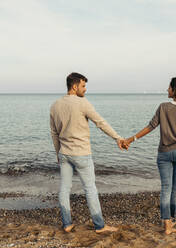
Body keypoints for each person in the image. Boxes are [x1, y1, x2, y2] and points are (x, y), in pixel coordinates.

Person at [50, 72, 126, 233]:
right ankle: (99, 225)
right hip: (82, 154)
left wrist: (58, 153)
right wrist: (117, 138)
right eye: (83, 86)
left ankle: (67, 224)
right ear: (74, 86)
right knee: (90, 189)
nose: (85, 89)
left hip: (64, 154)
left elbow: (54, 133)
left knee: (64, 189)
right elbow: (100, 122)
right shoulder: (82, 103)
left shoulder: (55, 105)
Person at [124, 77, 176, 235]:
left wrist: (131, 139)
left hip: (164, 153)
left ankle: (166, 223)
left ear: (175, 90)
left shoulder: (163, 107)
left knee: (166, 188)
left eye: (169, 87)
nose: (167, 90)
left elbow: (151, 126)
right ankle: (171, 220)